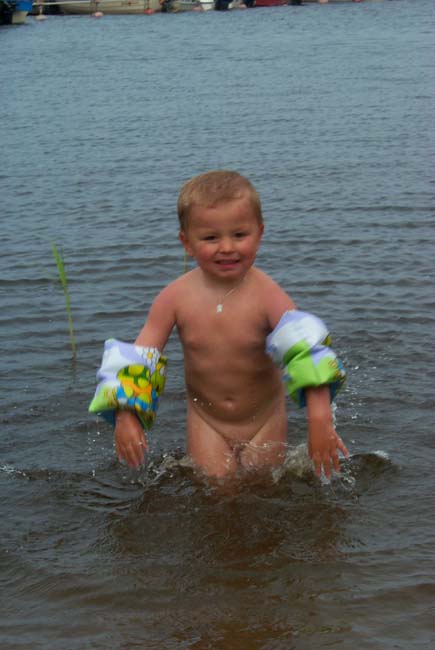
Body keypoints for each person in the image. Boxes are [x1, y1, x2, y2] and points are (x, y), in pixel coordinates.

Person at [89, 170, 348, 480]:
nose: (226, 247)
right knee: (215, 489)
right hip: (206, 420)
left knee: (262, 487)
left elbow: (307, 353)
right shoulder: (174, 298)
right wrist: (125, 415)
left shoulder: (267, 295)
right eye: (211, 238)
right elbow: (138, 358)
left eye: (239, 235)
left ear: (260, 233)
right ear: (187, 242)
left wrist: (319, 420)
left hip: (264, 420)